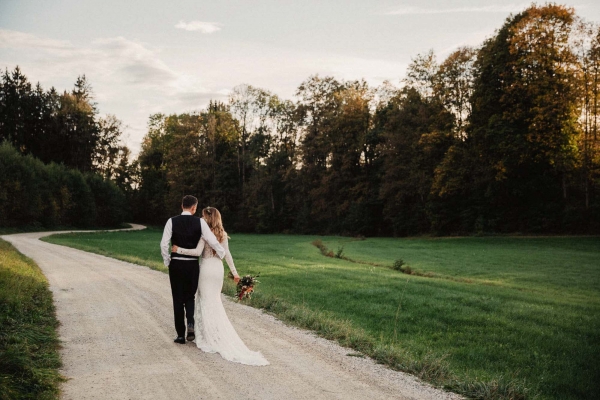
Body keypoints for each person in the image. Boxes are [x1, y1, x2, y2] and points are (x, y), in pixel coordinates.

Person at [172, 206, 269, 366]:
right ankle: (215, 332)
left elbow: (197, 253)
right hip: (217, 271)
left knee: (204, 300)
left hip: (206, 270)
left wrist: (179, 250)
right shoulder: (222, 235)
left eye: (203, 216)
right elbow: (227, 255)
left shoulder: (204, 234)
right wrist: (235, 274)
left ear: (208, 218)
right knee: (214, 301)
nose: (201, 218)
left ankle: (206, 335)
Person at [160, 196, 225, 344]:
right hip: (192, 265)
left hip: (176, 263)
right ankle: (190, 323)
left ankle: (181, 335)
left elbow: (164, 244)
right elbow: (211, 240)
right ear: (194, 208)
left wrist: (167, 260)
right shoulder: (200, 222)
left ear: (182, 205)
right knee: (190, 297)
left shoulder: (171, 221)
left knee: (177, 299)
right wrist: (221, 252)